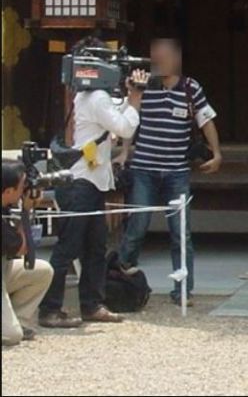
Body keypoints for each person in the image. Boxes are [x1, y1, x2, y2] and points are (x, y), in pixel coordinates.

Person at [39, 37, 146, 327]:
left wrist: (128, 96)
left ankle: (92, 304)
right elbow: (123, 126)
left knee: (95, 247)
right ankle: (50, 309)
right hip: (83, 182)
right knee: (68, 248)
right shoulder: (94, 97)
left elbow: (114, 113)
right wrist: (135, 99)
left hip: (92, 180)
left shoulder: (87, 94)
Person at [117, 38, 222, 307]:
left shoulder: (190, 87)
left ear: (176, 58)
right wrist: (124, 150)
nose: (158, 61)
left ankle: (183, 290)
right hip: (144, 168)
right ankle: (118, 283)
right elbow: (130, 117)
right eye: (154, 57)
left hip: (177, 170)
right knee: (136, 228)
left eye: (163, 56)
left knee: (181, 233)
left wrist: (217, 152)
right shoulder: (144, 86)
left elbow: (206, 119)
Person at [2, 160, 54, 345]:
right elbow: (23, 249)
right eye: (22, 185)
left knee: (42, 271)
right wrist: (26, 210)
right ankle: (9, 326)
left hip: (4, 270)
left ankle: (17, 320)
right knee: (11, 336)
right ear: (8, 191)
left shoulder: (5, 204)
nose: (25, 188)